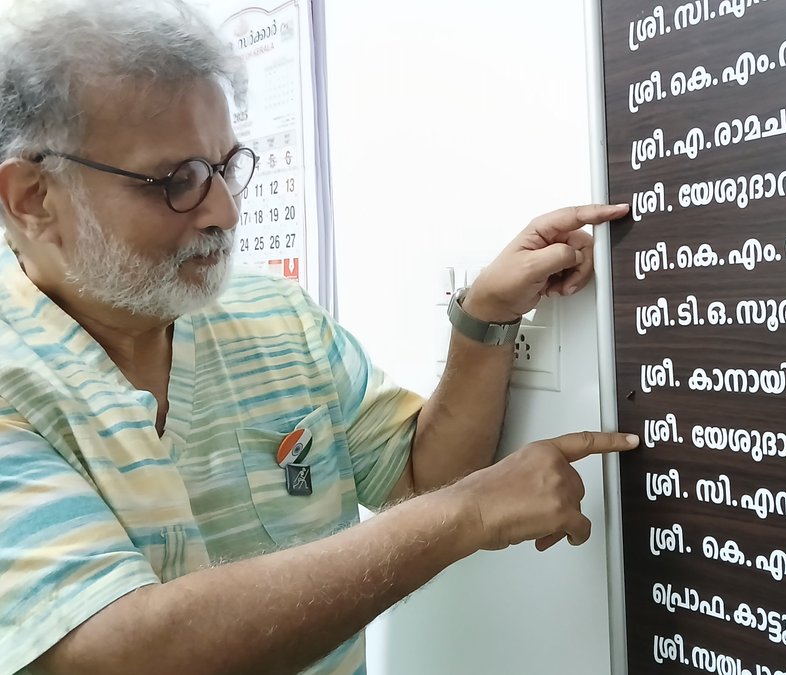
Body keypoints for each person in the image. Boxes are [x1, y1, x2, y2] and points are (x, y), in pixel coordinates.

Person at [0, 1, 636, 673]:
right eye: (175, 181)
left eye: (225, 166)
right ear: (33, 198)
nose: (223, 210)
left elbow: (421, 475)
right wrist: (466, 513)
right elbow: (120, 652)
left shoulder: (276, 317)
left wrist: (485, 316)